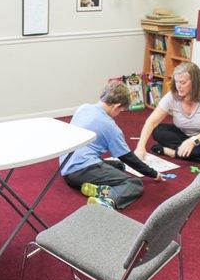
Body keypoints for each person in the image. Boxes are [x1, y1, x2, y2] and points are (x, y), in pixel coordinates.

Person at [61, 82, 162, 210]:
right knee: (134, 183)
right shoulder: (110, 126)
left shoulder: (83, 108)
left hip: (66, 166)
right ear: (117, 106)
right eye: (121, 110)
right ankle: (108, 199)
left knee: (119, 165)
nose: (119, 113)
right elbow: (128, 158)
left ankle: (100, 190)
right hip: (81, 170)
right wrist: (153, 174)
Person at [135, 62, 200, 164]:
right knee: (157, 131)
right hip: (183, 135)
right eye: (176, 82)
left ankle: (174, 153)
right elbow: (151, 121)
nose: (178, 86)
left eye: (183, 83)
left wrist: (194, 140)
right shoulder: (172, 95)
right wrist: (140, 146)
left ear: (195, 83)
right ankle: (199, 156)